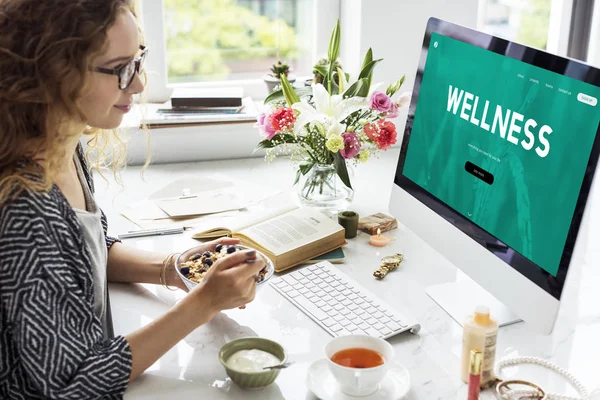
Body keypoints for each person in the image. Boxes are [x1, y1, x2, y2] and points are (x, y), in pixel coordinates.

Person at [0, 1, 265, 398]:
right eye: (121, 69)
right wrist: (204, 303)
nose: (139, 84)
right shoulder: (24, 209)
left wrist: (173, 268)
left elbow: (82, 257)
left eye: (139, 61)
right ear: (56, 73)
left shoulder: (62, 144)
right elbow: (71, 383)